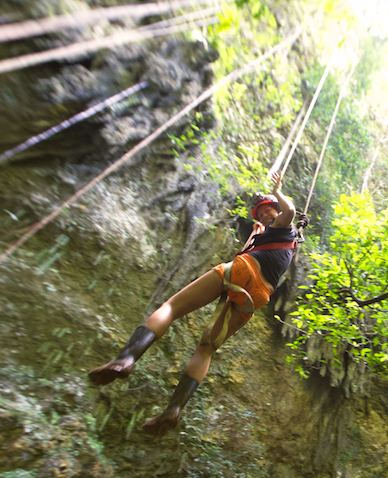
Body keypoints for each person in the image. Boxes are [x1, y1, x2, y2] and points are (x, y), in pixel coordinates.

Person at [88, 170, 298, 437]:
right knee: (206, 350)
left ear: (274, 209)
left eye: (266, 212)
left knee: (171, 308)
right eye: (260, 215)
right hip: (256, 296)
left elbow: (289, 211)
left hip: (243, 272)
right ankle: (173, 409)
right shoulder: (283, 243)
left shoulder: (284, 225)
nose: (264, 216)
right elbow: (248, 250)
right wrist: (257, 232)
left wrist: (278, 190)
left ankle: (126, 359)